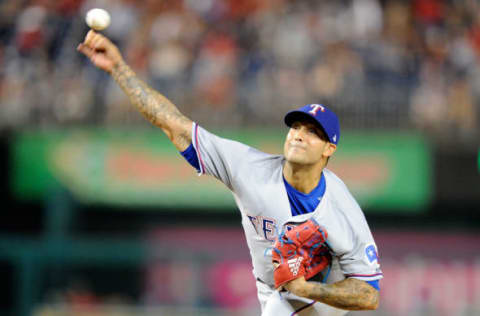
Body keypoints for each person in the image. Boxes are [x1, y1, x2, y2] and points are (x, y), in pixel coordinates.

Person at [77, 30, 383, 316]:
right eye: (296, 127)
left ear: (329, 149)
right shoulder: (249, 168)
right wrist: (118, 67)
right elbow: (173, 123)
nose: (299, 135)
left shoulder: (341, 207)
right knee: (279, 304)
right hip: (278, 297)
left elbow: (369, 294)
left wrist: (309, 288)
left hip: (324, 296)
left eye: (313, 132)